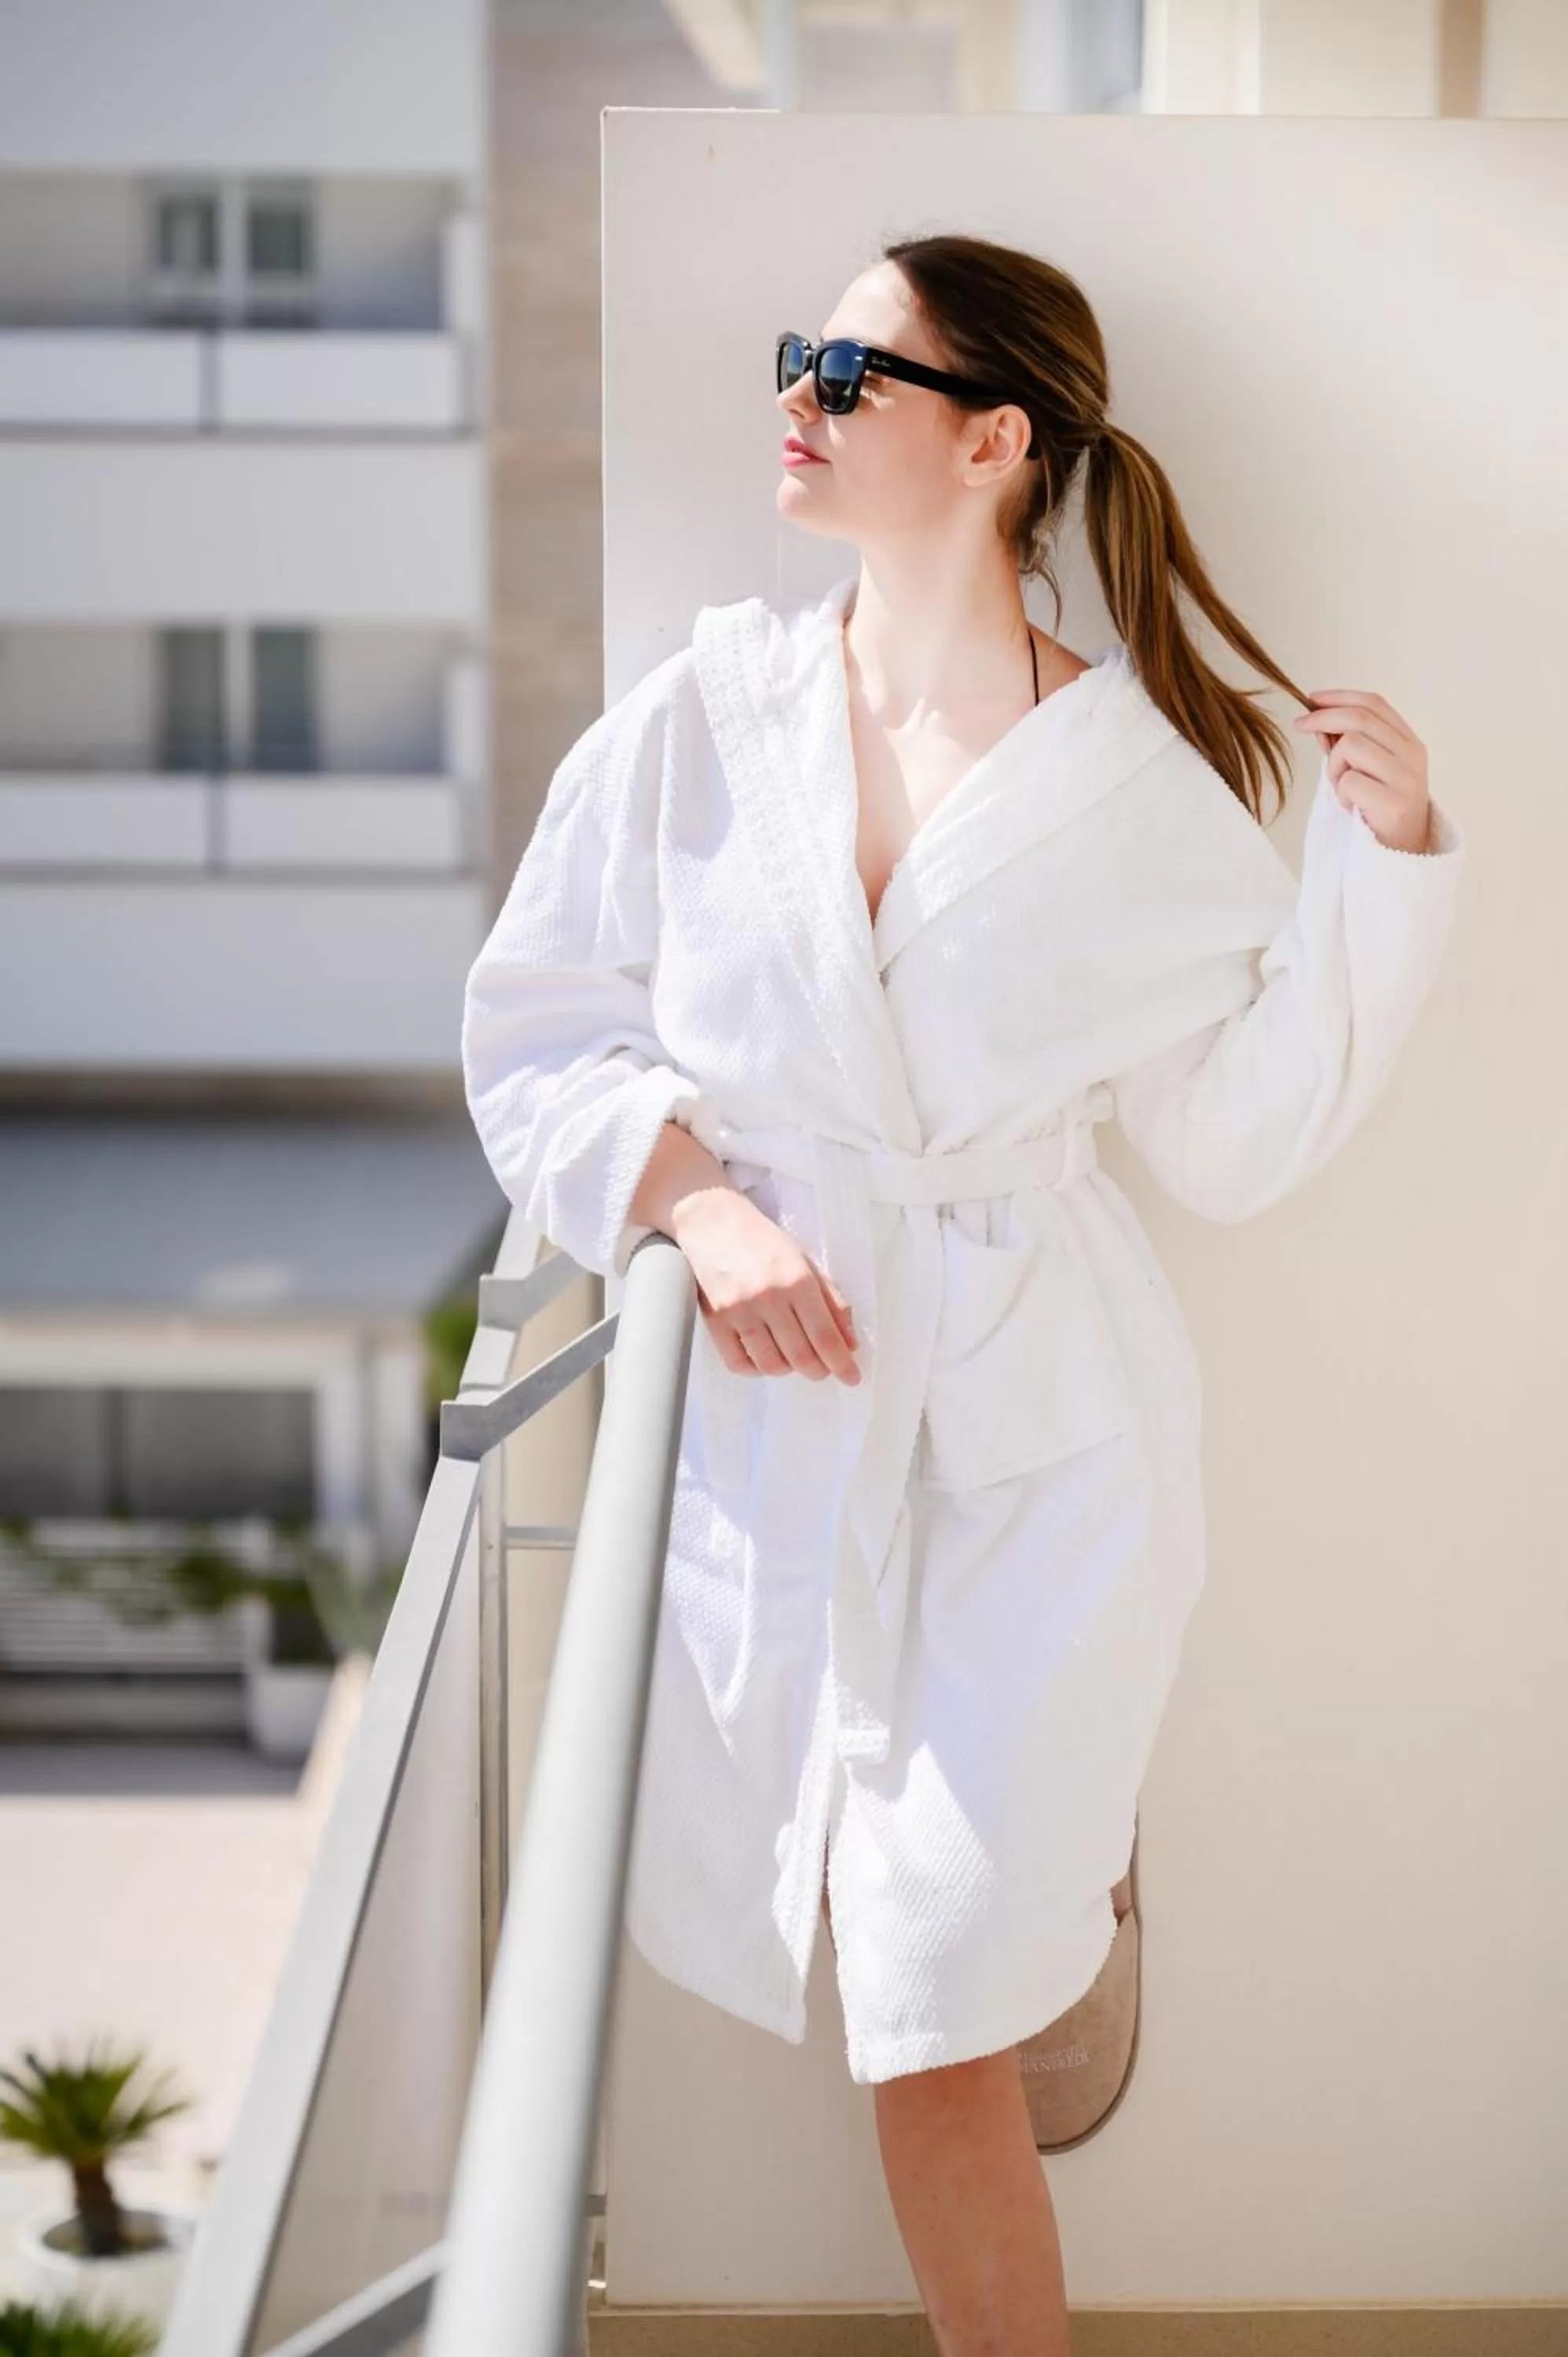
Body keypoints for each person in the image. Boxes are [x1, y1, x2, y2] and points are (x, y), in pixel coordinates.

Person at [462, 231, 1467, 2355]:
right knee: (901, 1985)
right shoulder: (705, 718)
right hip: (788, 1410)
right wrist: (695, 1208)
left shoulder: (1134, 787)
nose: (796, 400)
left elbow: (1227, 1139)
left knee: (932, 1990)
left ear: (995, 440)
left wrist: (1379, 873)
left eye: (848, 372)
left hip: (1045, 1450)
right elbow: (538, 1018)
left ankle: (1051, 1924)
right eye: (795, 357)